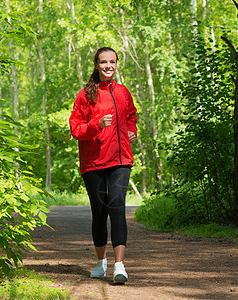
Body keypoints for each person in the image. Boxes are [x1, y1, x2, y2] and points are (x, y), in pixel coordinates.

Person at [69, 47, 137, 284]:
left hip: (120, 160)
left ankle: (120, 266)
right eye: (103, 62)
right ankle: (101, 262)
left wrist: (132, 131)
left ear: (116, 64)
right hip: (94, 162)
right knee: (100, 211)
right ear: (96, 65)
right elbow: (76, 129)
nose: (108, 66)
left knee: (117, 205)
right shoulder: (85, 95)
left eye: (112, 62)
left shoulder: (122, 92)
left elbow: (131, 115)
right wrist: (96, 124)